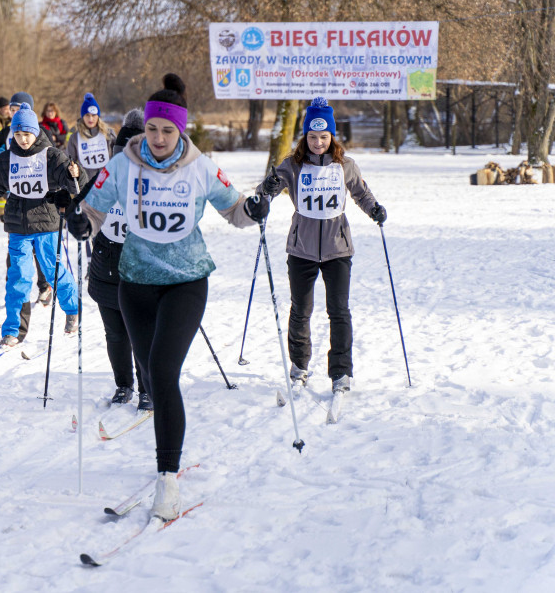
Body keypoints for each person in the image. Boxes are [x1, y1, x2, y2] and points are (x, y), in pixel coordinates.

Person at [67, 74, 265, 521]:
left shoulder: (200, 166)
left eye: (167, 130)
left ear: (181, 130)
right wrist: (85, 224)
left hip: (186, 281)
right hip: (134, 281)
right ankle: (166, 458)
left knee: (161, 370)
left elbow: (234, 209)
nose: (158, 138)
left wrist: (251, 211)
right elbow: (94, 209)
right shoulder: (123, 164)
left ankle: (167, 479)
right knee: (154, 378)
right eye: (153, 128)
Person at [255, 97, 386, 395]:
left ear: (332, 136)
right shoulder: (292, 165)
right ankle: (299, 367)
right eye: (312, 137)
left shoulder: (345, 166)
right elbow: (263, 192)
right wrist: (269, 188)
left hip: (338, 250)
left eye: (323, 137)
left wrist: (375, 209)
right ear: (305, 136)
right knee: (301, 309)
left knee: (338, 310)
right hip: (301, 249)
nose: (317, 143)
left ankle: (341, 372)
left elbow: (362, 194)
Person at [0, 103, 86, 346]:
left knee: (53, 271)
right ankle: (13, 330)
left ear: (35, 132)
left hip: (46, 223)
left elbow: (75, 180)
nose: (23, 139)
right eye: (18, 134)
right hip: (18, 226)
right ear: (12, 134)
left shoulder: (50, 156)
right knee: (19, 278)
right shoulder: (6, 160)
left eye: (27, 134)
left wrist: (74, 175)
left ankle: (72, 310)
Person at [85, 108, 150, 410]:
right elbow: (80, 209)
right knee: (115, 334)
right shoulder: (103, 180)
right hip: (105, 267)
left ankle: (148, 389)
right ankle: (124, 385)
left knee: (142, 335)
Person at [0, 92, 55, 305]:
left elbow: (51, 158)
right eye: (12, 110)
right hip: (13, 193)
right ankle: (12, 287)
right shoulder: (6, 132)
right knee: (16, 242)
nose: (14, 113)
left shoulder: (38, 132)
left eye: (18, 110)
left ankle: (44, 286)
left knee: (38, 245)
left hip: (38, 197)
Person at [66, 93, 116, 180]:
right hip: (86, 185)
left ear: (98, 116)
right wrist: (73, 171)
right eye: (87, 115)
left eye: (93, 115)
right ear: (82, 116)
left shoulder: (109, 134)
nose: (90, 119)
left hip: (108, 183)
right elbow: (69, 162)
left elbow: (118, 156)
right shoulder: (75, 138)